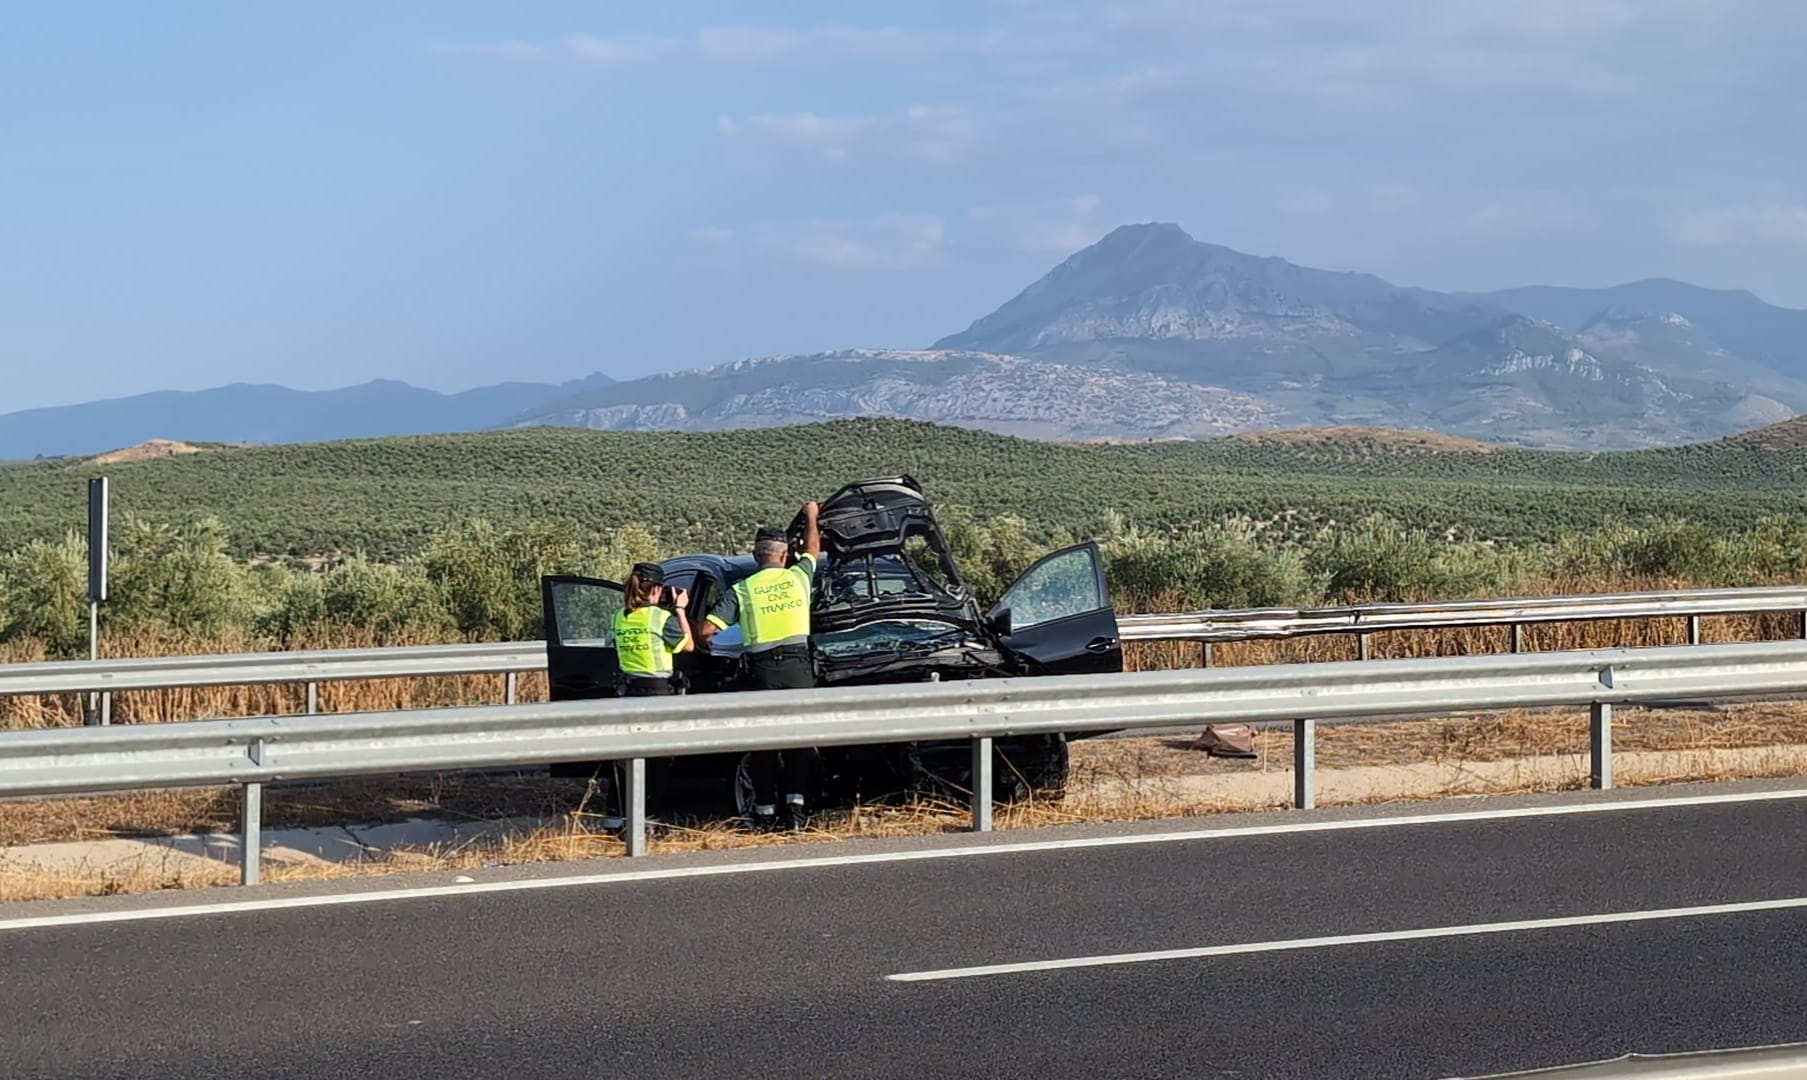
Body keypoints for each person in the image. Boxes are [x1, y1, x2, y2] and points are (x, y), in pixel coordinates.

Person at [698, 501, 822, 830]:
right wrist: (812, 516)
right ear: (785, 556)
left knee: (764, 745)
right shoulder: (799, 578)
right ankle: (795, 811)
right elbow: (813, 548)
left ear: (756, 557)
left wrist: (703, 641)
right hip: (798, 671)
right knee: (798, 742)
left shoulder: (743, 589)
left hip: (762, 673)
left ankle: (765, 812)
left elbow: (708, 630)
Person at [611, 561, 692, 821]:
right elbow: (688, 645)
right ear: (656, 589)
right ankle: (647, 818)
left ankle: (616, 816)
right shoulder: (661, 618)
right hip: (658, 695)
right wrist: (679, 610)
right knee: (658, 761)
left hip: (628, 694)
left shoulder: (620, 617)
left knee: (626, 759)